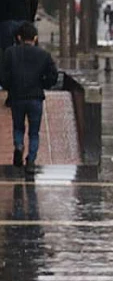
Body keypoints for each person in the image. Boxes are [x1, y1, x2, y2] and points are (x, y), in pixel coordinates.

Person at [0, 22, 59, 170]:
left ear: (19, 37)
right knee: (34, 132)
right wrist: (43, 84)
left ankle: (19, 146)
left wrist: (9, 87)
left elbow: (4, 76)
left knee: (18, 127)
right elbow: (53, 75)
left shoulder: (10, 52)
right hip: (35, 97)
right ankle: (31, 161)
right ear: (35, 37)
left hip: (17, 96)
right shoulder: (43, 55)